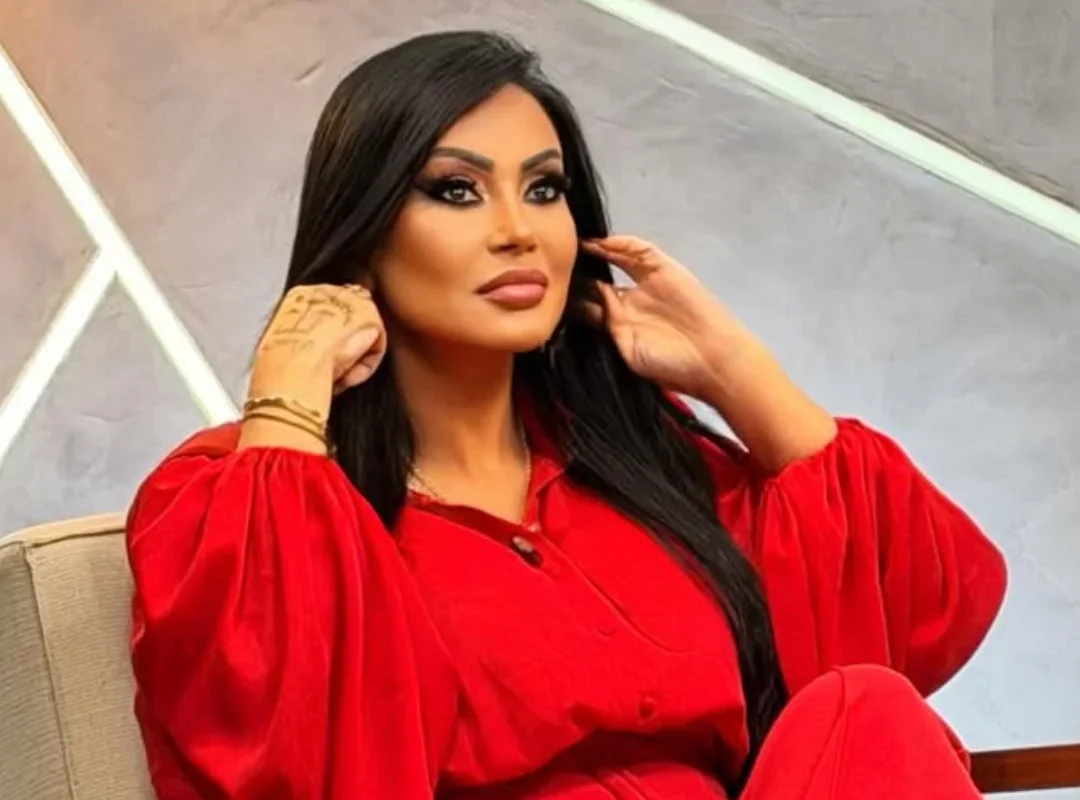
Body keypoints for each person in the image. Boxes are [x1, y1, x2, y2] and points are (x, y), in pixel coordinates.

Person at [125, 30, 1007, 800]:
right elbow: (270, 746)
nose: (519, 230)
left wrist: (736, 372)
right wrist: (288, 392)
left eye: (544, 189)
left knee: (867, 707)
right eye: (457, 191)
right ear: (361, 234)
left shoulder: (649, 470)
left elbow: (924, 612)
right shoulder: (236, 495)